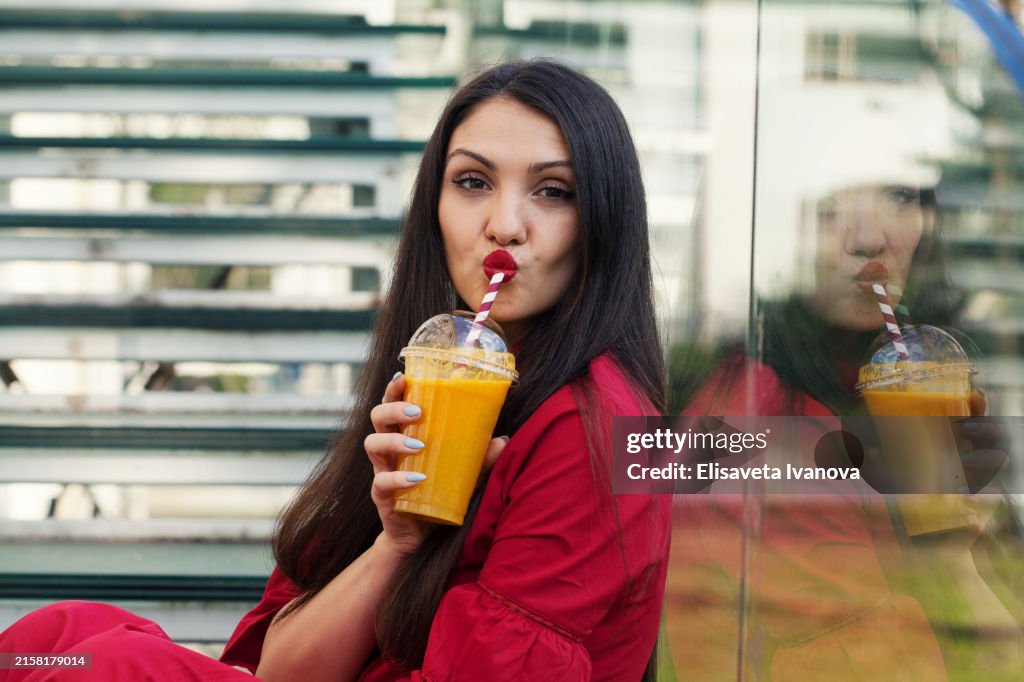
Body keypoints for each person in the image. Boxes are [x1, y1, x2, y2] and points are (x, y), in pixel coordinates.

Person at [0, 60, 671, 682]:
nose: (504, 225)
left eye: (553, 192)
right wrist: (398, 541)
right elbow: (275, 669)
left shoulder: (597, 427)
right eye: (472, 182)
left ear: (603, 222)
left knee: (105, 665)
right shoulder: (443, 381)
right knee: (53, 634)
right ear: (433, 207)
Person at [664, 180, 1023, 680]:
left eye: (899, 199)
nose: (868, 238)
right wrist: (949, 551)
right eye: (830, 210)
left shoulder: (912, 377)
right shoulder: (754, 418)